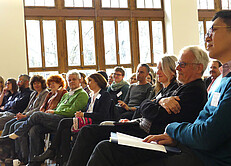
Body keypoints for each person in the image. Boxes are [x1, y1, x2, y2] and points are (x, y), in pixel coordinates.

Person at [86, 10, 231, 166]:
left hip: (210, 159)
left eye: (213, 30)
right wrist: (176, 136)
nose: (207, 37)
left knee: (107, 151)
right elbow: (203, 122)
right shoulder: (226, 76)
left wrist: (173, 130)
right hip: (195, 149)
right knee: (106, 147)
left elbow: (208, 135)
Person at [66, 50, 209, 166]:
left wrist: (153, 104)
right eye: (178, 64)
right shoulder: (175, 89)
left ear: (198, 68)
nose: (178, 68)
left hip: (154, 137)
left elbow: (157, 115)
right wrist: (158, 102)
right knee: (89, 133)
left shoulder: (192, 90)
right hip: (143, 128)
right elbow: (144, 107)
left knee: (103, 147)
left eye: (182, 64)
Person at [0, 70, 89, 166]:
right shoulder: (67, 94)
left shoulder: (82, 94)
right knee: (34, 129)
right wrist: (54, 112)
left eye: (74, 79)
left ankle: (16, 134)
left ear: (80, 80)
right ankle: (34, 161)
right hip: (56, 117)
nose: (71, 82)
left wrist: (54, 112)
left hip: (66, 121)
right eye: (69, 80)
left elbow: (72, 112)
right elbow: (59, 107)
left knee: (37, 115)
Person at [32, 73, 112, 165]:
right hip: (85, 120)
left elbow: (102, 115)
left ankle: (52, 150)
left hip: (95, 122)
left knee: (63, 122)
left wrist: (84, 115)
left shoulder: (104, 95)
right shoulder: (91, 95)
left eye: (90, 81)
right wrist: (81, 114)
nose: (88, 83)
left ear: (97, 82)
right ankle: (66, 161)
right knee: (65, 130)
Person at [1, 75, 64, 164]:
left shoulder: (46, 93)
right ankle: (12, 154)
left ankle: (24, 157)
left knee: (19, 126)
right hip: (33, 116)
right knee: (10, 125)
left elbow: (38, 109)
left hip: (39, 117)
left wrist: (25, 115)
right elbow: (29, 107)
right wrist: (22, 114)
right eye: (34, 83)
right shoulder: (34, 93)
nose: (36, 85)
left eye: (38, 83)